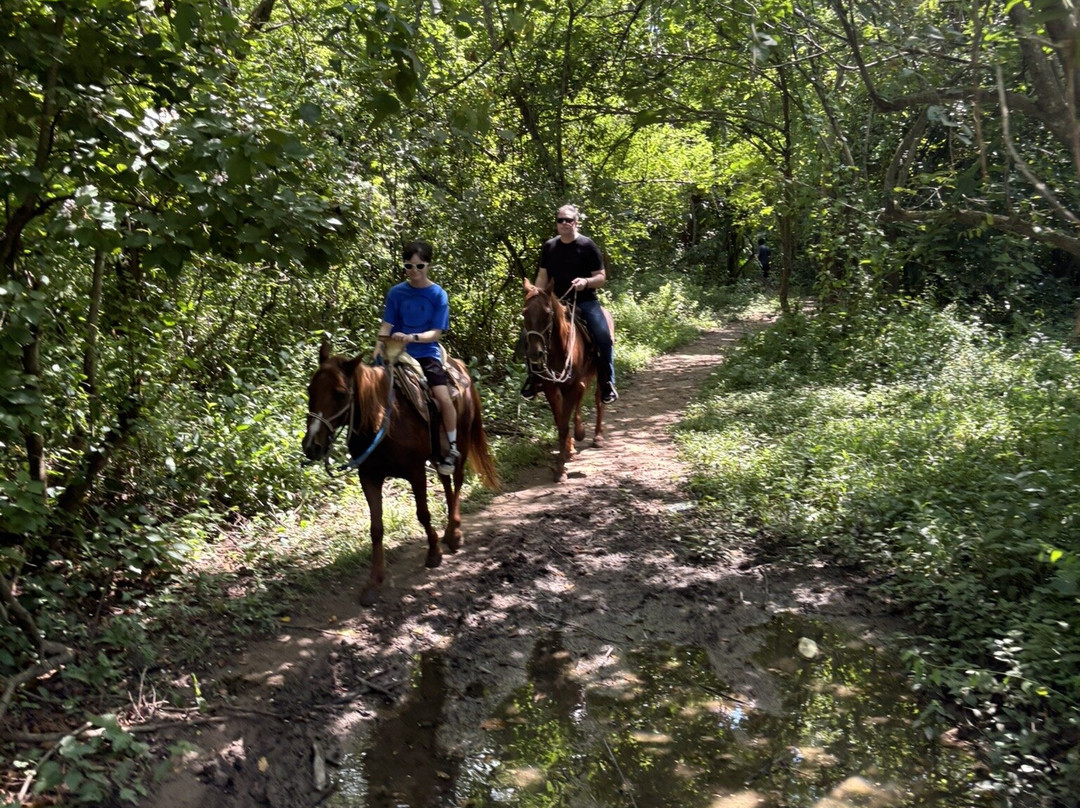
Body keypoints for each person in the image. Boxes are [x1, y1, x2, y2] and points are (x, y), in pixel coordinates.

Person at [374, 240, 459, 476]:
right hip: (396, 354)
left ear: (428, 265)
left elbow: (436, 333)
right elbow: (386, 325)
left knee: (443, 397)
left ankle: (452, 446)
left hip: (426, 353)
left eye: (419, 266)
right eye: (408, 266)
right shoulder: (396, 293)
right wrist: (378, 349)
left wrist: (411, 337)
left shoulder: (438, 294)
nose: (414, 271)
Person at [521, 204, 618, 403]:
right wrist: (537, 294)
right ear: (557, 223)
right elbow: (542, 275)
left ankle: (607, 381)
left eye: (568, 220)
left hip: (585, 301)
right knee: (527, 335)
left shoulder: (588, 245)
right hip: (554, 302)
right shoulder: (550, 246)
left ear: (576, 222)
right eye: (561, 220)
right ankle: (534, 378)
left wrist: (586, 282)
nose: (564, 223)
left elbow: (601, 277)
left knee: (603, 336)